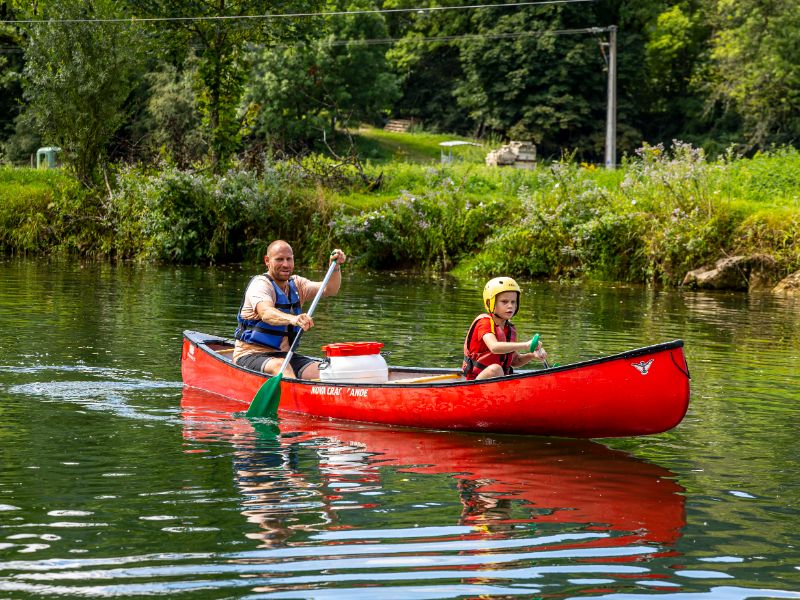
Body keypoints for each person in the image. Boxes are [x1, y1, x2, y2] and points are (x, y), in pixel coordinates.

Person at [233, 240, 346, 379]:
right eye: (279, 259)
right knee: (280, 366)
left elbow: (330, 289)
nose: (285, 264)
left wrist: (335, 267)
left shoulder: (297, 284)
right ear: (267, 261)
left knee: (328, 371)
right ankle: (292, 399)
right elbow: (266, 313)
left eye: (289, 259)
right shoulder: (260, 284)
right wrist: (293, 319)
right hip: (250, 355)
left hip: (285, 356)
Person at [461, 277, 547, 380]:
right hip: (473, 384)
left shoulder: (510, 329)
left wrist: (532, 355)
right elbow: (494, 347)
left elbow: (515, 361)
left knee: (498, 370)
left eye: (513, 302)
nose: (510, 306)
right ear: (490, 303)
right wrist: (526, 345)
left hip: (497, 384)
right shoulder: (484, 323)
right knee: (495, 369)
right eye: (504, 302)